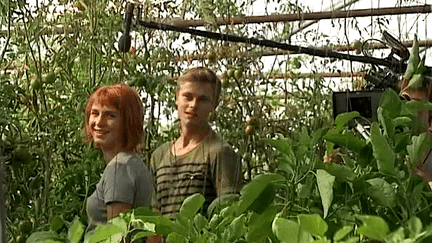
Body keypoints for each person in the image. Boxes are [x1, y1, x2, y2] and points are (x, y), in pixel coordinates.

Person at [150, 67, 243, 219]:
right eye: (188, 96)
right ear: (177, 98)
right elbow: (154, 216)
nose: (193, 105)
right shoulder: (159, 155)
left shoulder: (219, 152)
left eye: (203, 99)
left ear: (214, 104)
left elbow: (230, 214)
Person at [84, 84, 152, 231]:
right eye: (95, 113)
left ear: (128, 122)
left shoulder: (120, 168)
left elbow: (117, 235)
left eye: (110, 115)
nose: (99, 123)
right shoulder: (131, 163)